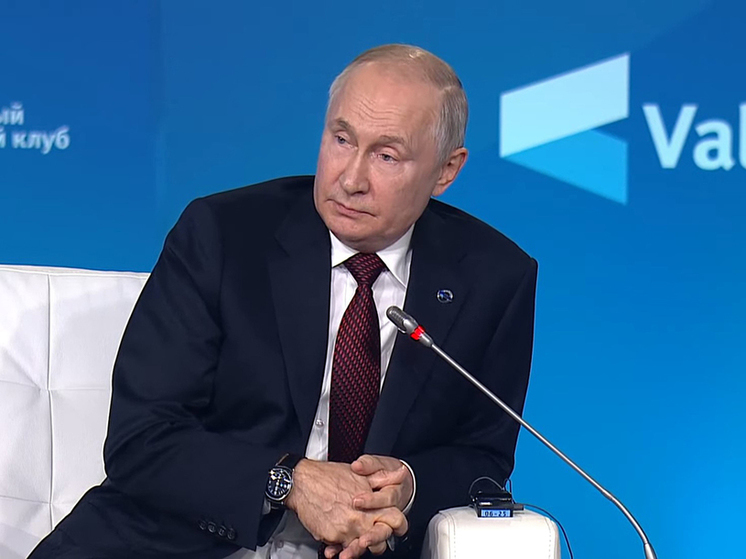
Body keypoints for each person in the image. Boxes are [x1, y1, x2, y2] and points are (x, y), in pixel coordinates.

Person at [28, 44, 537, 559]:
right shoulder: (222, 235)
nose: (351, 179)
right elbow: (141, 438)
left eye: (386, 156)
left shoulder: (493, 277)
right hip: (179, 541)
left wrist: (409, 483)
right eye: (342, 139)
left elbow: (483, 455)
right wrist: (289, 480)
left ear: (446, 170)